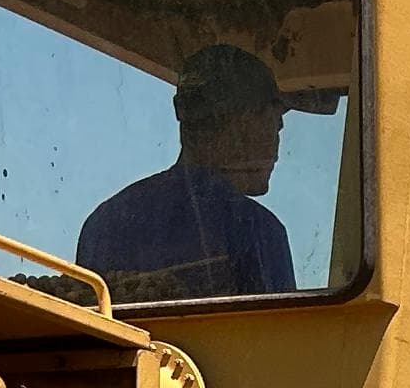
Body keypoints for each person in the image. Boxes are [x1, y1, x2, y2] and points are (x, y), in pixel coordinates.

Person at [78, 45, 298, 305]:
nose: (276, 145)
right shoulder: (255, 228)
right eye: (274, 125)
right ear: (242, 121)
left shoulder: (105, 221)